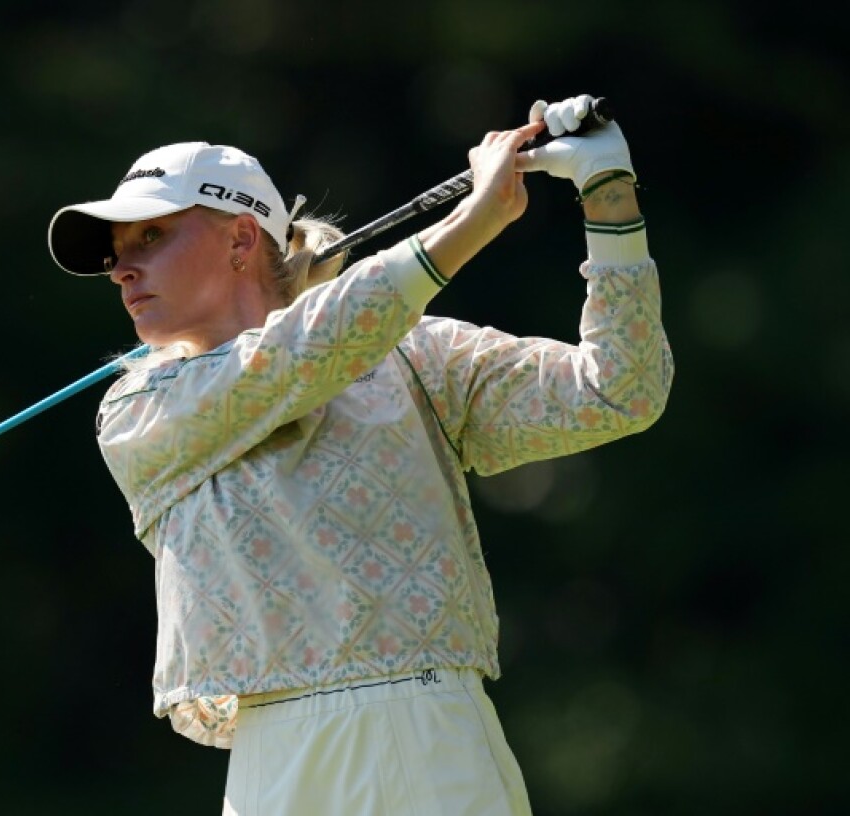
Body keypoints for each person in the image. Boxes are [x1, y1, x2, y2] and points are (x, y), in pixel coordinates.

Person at [46, 94, 673, 815]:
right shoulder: (139, 407)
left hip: (427, 733)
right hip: (270, 760)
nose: (124, 269)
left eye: (150, 236)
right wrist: (474, 222)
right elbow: (299, 357)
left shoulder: (412, 355)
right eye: (116, 254)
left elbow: (621, 392)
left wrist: (610, 198)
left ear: (241, 240)